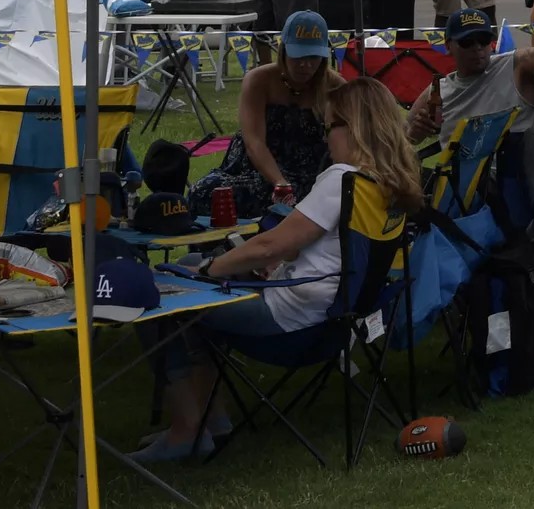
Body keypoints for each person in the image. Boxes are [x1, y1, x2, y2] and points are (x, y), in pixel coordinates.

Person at [136, 77, 424, 464]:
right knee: (190, 269)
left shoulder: (343, 179)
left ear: (354, 127)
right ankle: (211, 417)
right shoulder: (392, 184)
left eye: (330, 127)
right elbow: (330, 249)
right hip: (340, 318)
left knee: (156, 297)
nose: (326, 139)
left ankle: (186, 431)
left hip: (296, 320)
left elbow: (272, 244)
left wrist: (210, 267)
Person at [190, 10, 340, 219]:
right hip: (256, 167)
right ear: (283, 51)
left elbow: (345, 143)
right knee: (205, 192)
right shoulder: (259, 80)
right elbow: (254, 142)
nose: (305, 65)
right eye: (298, 57)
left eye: (313, 57)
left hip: (310, 174)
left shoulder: (336, 87)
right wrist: (280, 183)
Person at [407, 8, 534, 140]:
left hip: (519, 179)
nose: (477, 48)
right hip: (461, 185)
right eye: (467, 42)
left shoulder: (516, 64)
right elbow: (404, 137)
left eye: (483, 40)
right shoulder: (438, 91)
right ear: (448, 46)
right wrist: (415, 134)